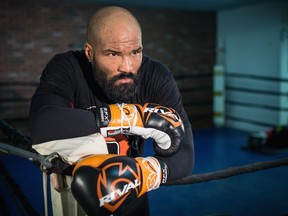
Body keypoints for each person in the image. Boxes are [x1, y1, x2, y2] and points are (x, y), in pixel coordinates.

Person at [29, 6, 194, 216]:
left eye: (135, 52)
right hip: (72, 191)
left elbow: (185, 154)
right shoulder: (68, 67)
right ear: (90, 52)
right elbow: (42, 123)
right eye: (113, 54)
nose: (127, 67)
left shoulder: (156, 76)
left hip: (131, 188)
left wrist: (144, 174)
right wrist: (130, 116)